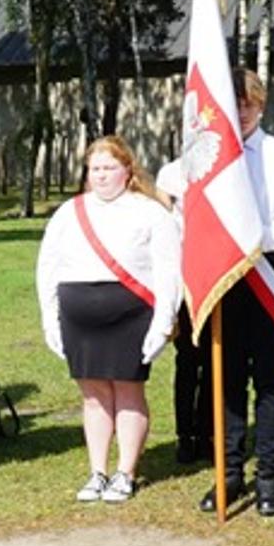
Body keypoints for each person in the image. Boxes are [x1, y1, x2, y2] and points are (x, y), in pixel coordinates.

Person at [35, 136, 179, 503]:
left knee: (128, 391)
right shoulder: (69, 212)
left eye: (109, 168)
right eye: (95, 168)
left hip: (130, 314)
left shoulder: (150, 212)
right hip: (79, 316)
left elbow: (168, 271)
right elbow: (48, 268)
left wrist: (164, 321)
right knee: (94, 396)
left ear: (127, 170)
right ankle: (97, 471)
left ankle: (125, 472)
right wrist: (50, 318)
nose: (100, 176)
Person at [194, 69, 274, 517]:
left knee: (267, 382)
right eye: (231, 103)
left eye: (247, 103)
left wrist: (242, 241)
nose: (239, 112)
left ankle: (269, 478)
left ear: (260, 106)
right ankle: (229, 472)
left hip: (265, 272)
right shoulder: (207, 156)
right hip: (222, 276)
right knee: (227, 380)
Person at [153, 159, 210, 465]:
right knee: (188, 358)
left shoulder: (226, 164)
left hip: (216, 274)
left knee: (215, 360)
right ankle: (184, 436)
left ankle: (208, 433)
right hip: (183, 274)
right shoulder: (171, 172)